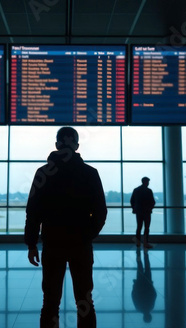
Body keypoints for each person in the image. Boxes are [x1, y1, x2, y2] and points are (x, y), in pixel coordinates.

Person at [25, 127, 107, 328]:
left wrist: (32, 243)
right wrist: (87, 235)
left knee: (51, 302)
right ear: (77, 146)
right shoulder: (89, 173)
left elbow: (33, 211)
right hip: (81, 245)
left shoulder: (43, 173)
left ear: (56, 146)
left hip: (53, 244)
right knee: (85, 301)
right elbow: (100, 212)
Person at [131, 248, 157, 323]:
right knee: (139, 266)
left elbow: (154, 295)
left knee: (147, 266)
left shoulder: (150, 307)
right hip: (140, 283)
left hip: (148, 283)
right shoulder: (138, 308)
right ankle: (138, 253)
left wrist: (151, 285)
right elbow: (133, 295)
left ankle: (145, 253)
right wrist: (135, 286)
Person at [130, 177, 156, 248]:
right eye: (148, 182)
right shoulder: (149, 191)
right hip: (147, 212)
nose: (148, 183)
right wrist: (150, 208)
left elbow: (132, 201)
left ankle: (138, 243)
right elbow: (152, 201)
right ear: (146, 182)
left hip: (139, 212)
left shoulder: (136, 190)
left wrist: (134, 209)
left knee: (139, 227)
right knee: (146, 228)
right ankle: (145, 243)